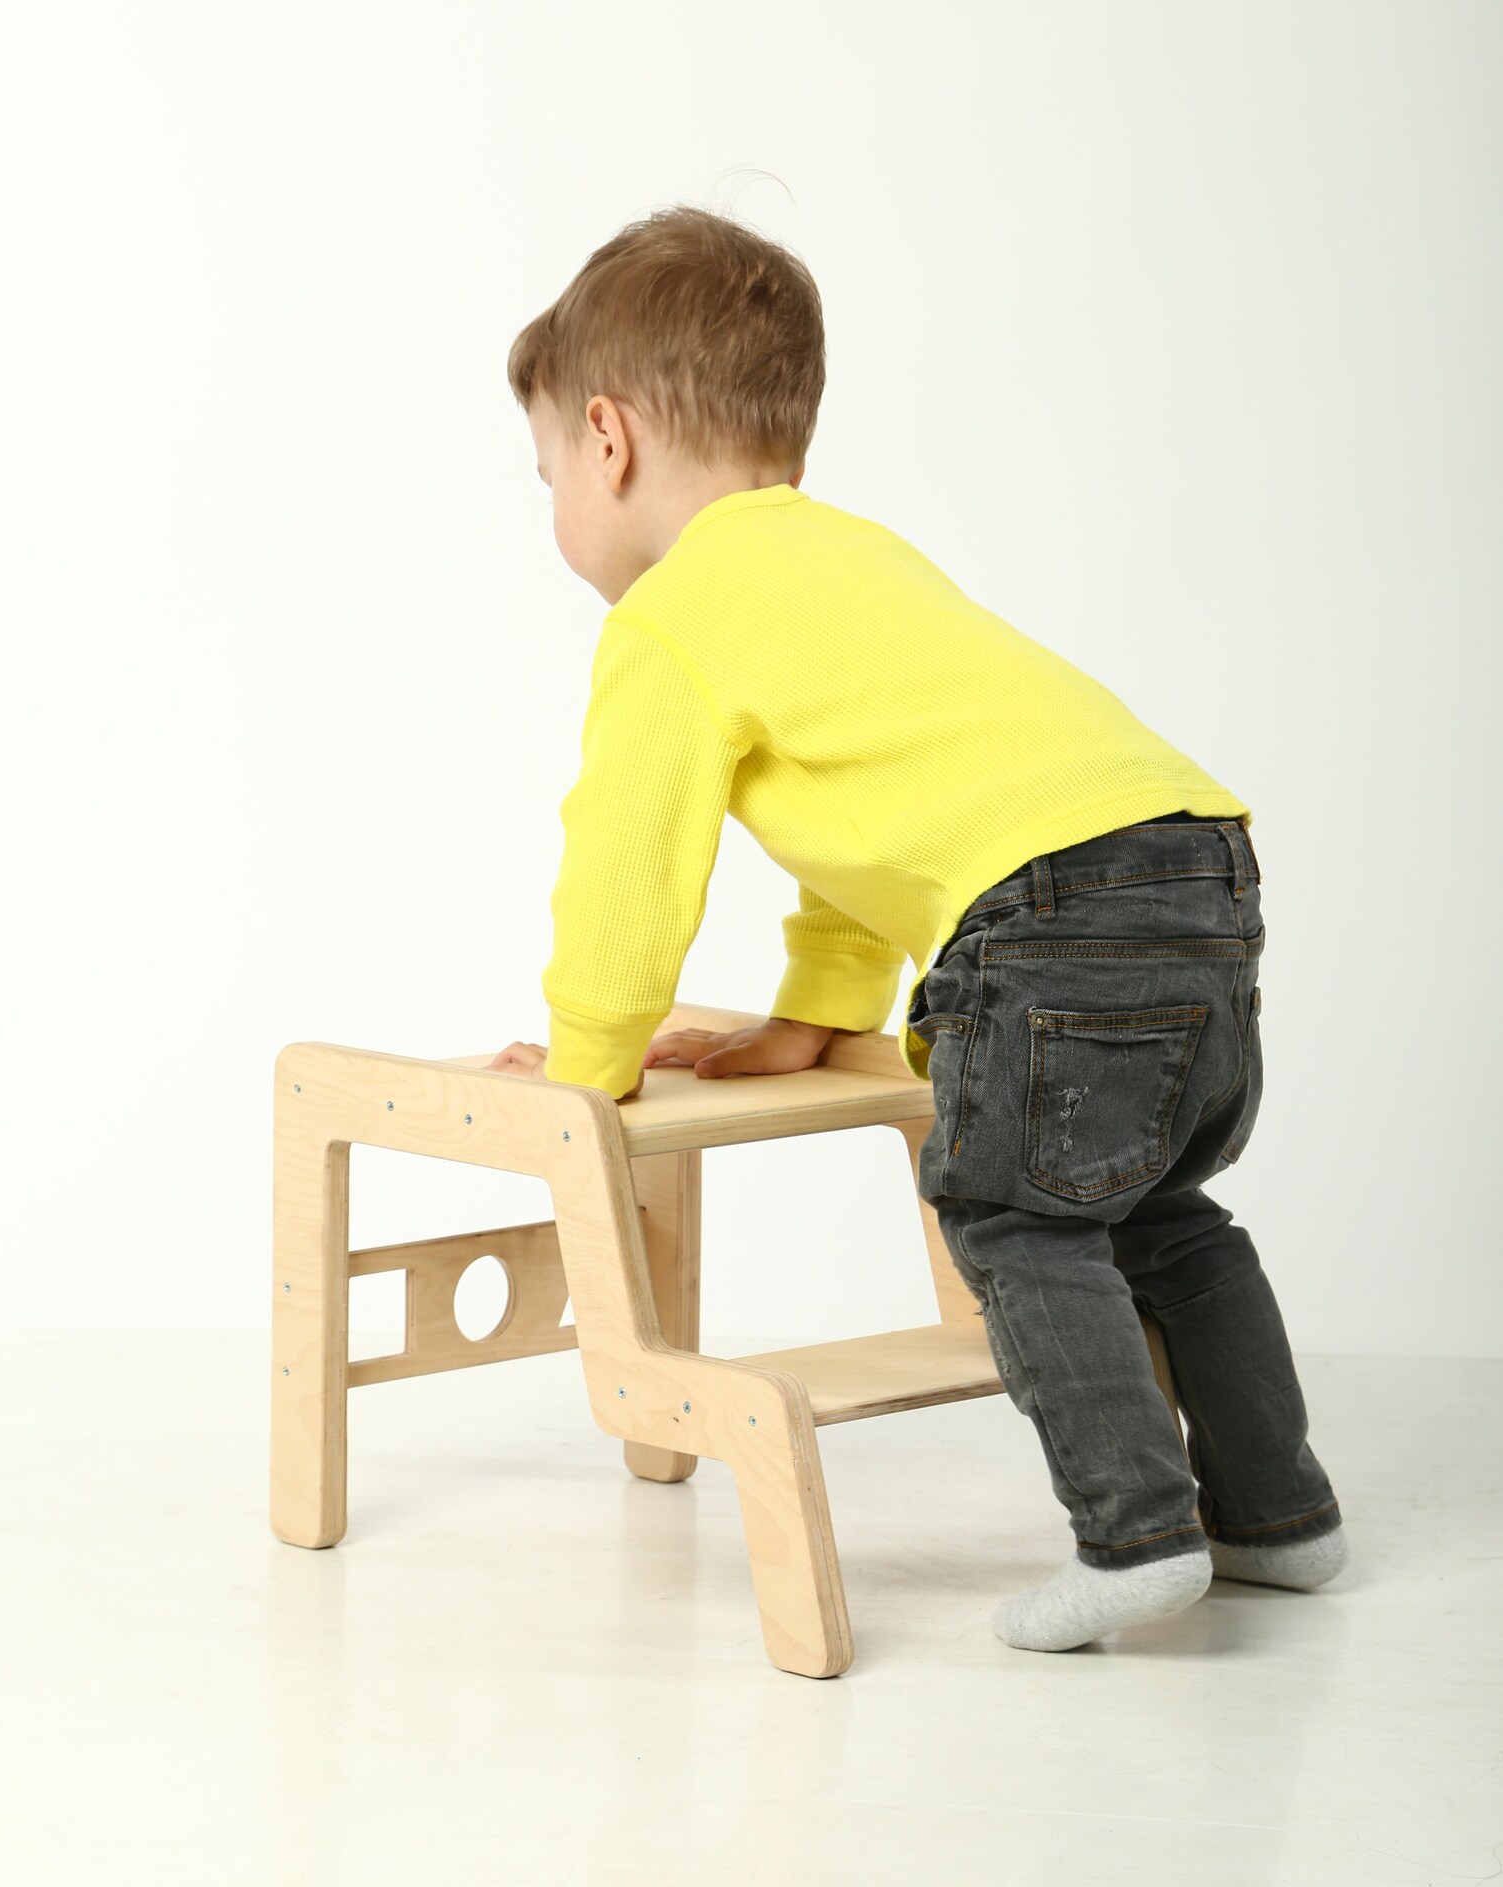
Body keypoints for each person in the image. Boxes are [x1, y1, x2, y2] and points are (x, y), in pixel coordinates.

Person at [488, 202, 1345, 1651]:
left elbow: (628, 866)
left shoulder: (673, 619)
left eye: (544, 469)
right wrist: (817, 1016)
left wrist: (590, 1059)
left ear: (607, 438)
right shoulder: (851, 558)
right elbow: (874, 831)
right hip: (1200, 868)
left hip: (1049, 912)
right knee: (1158, 1217)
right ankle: (1280, 1516)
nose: (554, 499)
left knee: (1010, 1211)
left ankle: (1135, 1535)